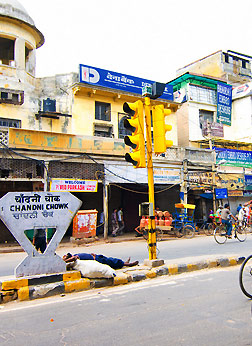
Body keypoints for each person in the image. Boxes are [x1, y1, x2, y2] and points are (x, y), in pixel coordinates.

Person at [63, 252, 139, 270]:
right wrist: (65, 260)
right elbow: (73, 258)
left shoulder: (75, 255)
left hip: (96, 256)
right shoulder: (75, 258)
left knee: (111, 260)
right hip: (96, 260)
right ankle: (128, 264)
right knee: (111, 261)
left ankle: (124, 263)